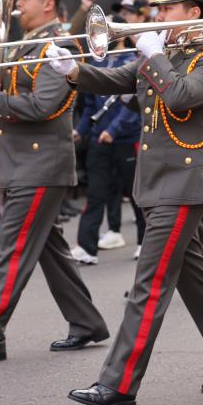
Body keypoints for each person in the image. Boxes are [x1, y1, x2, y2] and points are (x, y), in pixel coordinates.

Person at [49, 0, 203, 405]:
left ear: (194, 12)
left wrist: (154, 56)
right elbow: (115, 79)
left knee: (148, 286)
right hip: (154, 184)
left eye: (168, 8)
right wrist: (74, 71)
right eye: (158, 8)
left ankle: (119, 383)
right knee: (196, 281)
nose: (158, 15)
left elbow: (181, 97)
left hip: (182, 186)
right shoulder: (157, 55)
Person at [0, 0, 108, 365]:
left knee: (10, 251)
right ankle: (86, 323)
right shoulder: (23, 45)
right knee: (50, 251)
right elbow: (9, 103)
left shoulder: (59, 46)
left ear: (48, 3)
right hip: (26, 163)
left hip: (41, 165)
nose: (16, 4)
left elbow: (44, 105)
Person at [70, 42, 142, 265]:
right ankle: (86, 246)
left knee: (136, 194)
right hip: (99, 138)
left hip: (125, 139)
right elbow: (90, 106)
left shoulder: (132, 62)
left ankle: (145, 242)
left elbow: (131, 105)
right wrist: (80, 130)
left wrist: (113, 130)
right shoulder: (96, 63)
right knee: (96, 193)